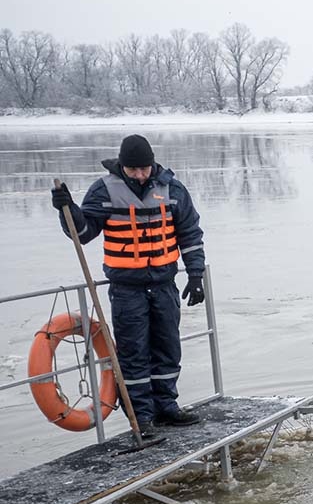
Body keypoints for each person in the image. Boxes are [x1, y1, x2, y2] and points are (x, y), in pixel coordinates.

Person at [51, 134, 207, 432]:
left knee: (168, 347)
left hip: (164, 284)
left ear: (152, 164)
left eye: (144, 169)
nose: (139, 174)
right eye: (133, 169)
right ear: (122, 166)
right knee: (134, 353)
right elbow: (82, 233)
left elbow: (189, 232)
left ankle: (166, 406)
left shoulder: (171, 188)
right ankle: (142, 416)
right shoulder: (104, 190)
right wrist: (67, 209)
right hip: (127, 288)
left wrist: (196, 274)